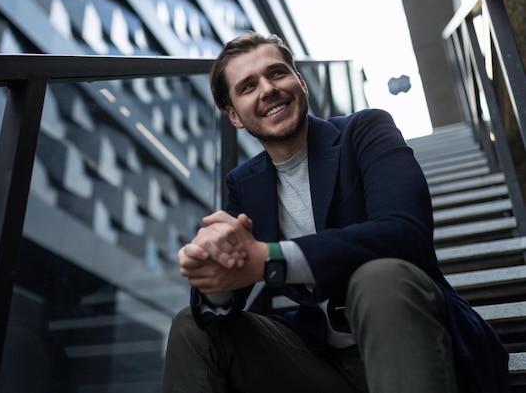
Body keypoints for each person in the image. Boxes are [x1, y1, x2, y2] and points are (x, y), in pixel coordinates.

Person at [162, 32, 509, 393]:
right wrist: (215, 276)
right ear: (233, 115)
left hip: (422, 344)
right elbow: (232, 288)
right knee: (191, 326)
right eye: (248, 86)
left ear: (300, 81)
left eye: (277, 73)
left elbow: (405, 233)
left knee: (379, 277)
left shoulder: (365, 131)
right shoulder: (244, 183)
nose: (267, 89)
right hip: (323, 363)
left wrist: (271, 259)